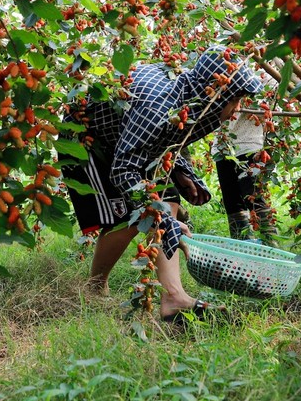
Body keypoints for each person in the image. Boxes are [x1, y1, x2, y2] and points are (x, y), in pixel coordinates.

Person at [60, 47, 263, 320]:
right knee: (127, 217)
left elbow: (164, 138)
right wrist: (163, 222)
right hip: (89, 137)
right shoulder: (159, 105)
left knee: (168, 202)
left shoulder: (188, 101)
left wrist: (181, 171)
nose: (238, 108)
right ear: (215, 94)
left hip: (125, 140)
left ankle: (173, 296)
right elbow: (123, 170)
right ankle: (95, 287)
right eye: (235, 99)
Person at [213, 110, 277, 243]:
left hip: (249, 147)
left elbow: (269, 112)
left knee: (254, 197)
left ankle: (272, 245)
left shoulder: (262, 89)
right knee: (232, 203)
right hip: (222, 149)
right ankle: (242, 248)